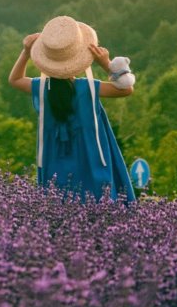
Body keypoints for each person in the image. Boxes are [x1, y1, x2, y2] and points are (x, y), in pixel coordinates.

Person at [8, 15, 136, 205]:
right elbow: (126, 89)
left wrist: (26, 52)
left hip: (53, 156)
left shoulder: (43, 88)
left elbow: (15, 80)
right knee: (98, 202)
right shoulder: (88, 88)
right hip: (90, 155)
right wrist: (106, 64)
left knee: (57, 203)